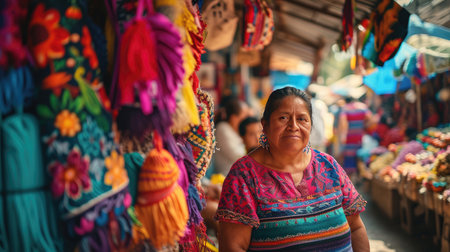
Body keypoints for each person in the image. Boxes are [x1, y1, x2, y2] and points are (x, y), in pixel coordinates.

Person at [215, 87, 369, 251]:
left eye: (302, 119)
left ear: (310, 125)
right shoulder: (244, 176)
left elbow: (356, 227)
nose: (293, 126)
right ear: (265, 125)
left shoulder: (328, 165)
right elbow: (233, 247)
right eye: (283, 118)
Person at [214, 98, 250, 176]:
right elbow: (238, 157)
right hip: (228, 176)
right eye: (245, 116)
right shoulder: (223, 128)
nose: (247, 120)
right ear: (234, 118)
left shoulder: (235, 131)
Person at [338, 96, 372, 178]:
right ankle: (359, 176)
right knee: (359, 155)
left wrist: (343, 137)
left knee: (349, 157)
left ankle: (350, 179)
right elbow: (371, 119)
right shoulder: (363, 107)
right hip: (359, 136)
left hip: (350, 137)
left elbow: (343, 123)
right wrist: (364, 126)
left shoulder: (345, 109)